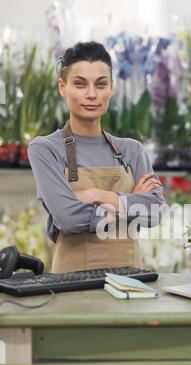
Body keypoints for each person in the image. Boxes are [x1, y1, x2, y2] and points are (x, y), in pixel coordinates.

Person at [28, 41, 165, 273]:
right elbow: (68, 219)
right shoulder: (44, 149)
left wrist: (94, 195)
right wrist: (129, 203)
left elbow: (155, 212)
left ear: (111, 87)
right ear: (63, 87)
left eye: (100, 85)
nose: (91, 94)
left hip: (130, 284)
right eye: (80, 84)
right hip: (71, 286)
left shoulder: (132, 150)